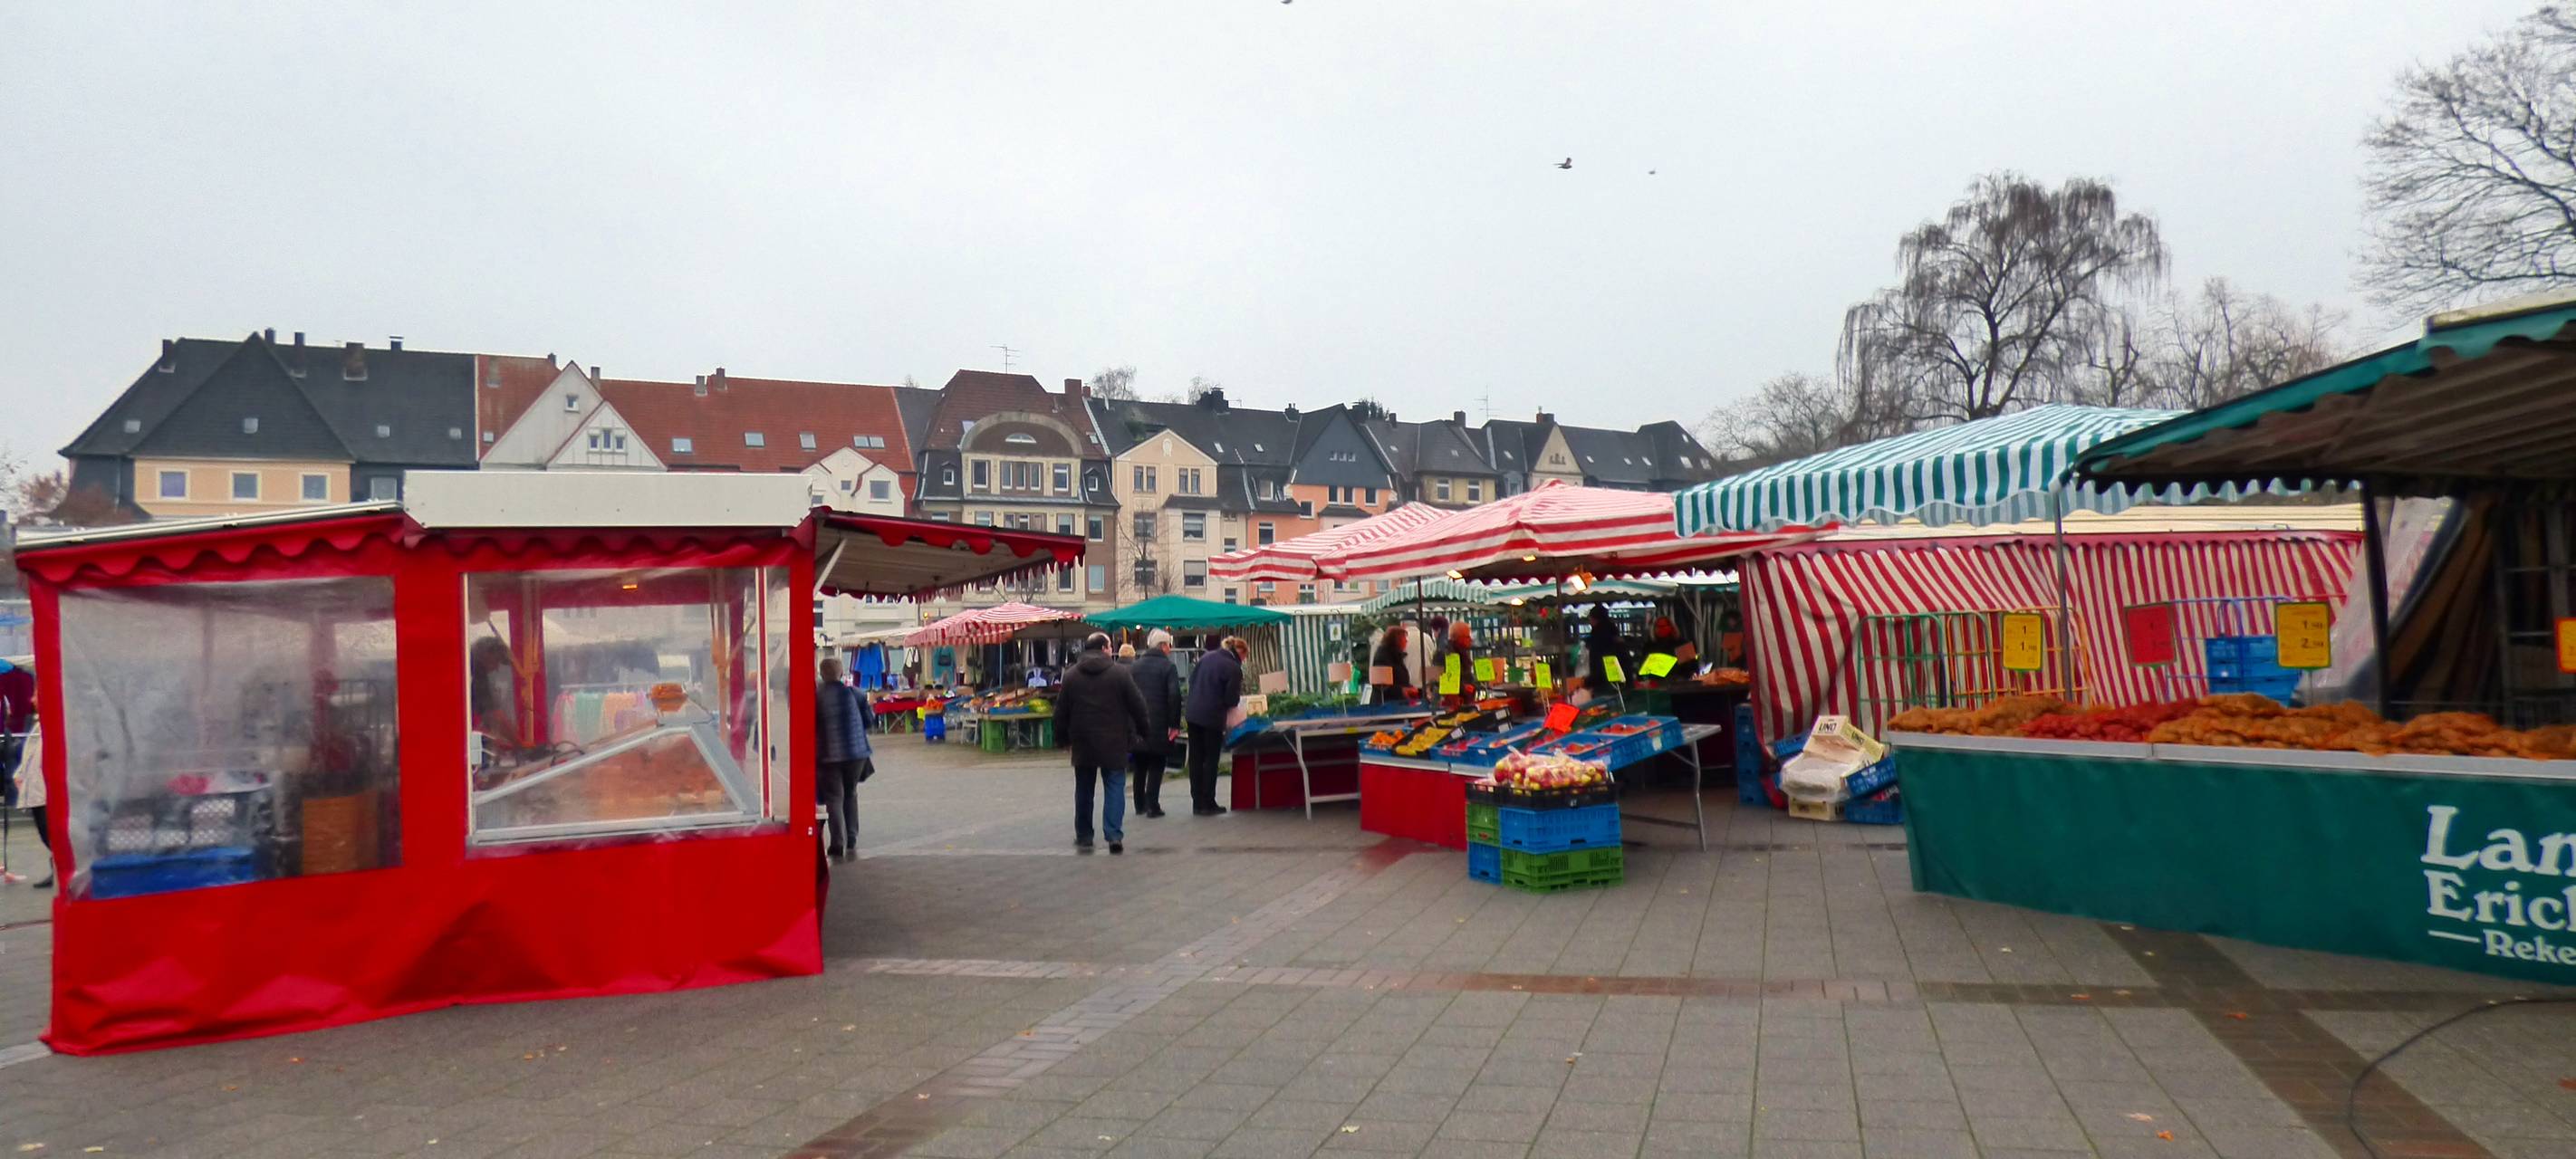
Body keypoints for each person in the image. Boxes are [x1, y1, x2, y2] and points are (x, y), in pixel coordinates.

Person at [1053, 632, 1150, 853]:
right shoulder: (1120, 674)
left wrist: (1062, 739)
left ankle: (1084, 835)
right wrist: (1145, 732)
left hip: (1083, 741)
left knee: (1084, 789)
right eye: (1110, 646)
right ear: (1105, 648)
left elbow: (1061, 712)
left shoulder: (1071, 676)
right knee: (1115, 786)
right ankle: (1114, 835)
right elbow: (1138, 705)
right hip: (1114, 740)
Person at [814, 656, 874, 859]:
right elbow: (869, 721)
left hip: (828, 755)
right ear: (841, 673)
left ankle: (837, 843)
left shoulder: (816, 697)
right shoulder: (856, 694)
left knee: (834, 798)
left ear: (822, 674)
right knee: (851, 792)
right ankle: (852, 837)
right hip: (856, 754)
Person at [1183, 636, 1246, 816]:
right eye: (1245, 656)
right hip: (1212, 717)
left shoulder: (1206, 657)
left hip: (1193, 714)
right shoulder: (1233, 668)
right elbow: (1231, 699)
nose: (1244, 660)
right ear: (1240, 652)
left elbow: (1192, 681)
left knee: (1196, 758)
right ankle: (1208, 802)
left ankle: (1197, 802)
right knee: (1211, 760)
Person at [0, 659, 46, 888]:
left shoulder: (43, 725)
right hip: (35, 788)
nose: (31, 700)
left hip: (40, 789)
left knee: (49, 834)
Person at [1129, 630, 1182, 819]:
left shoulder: (1135, 666)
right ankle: (1152, 805)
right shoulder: (1168, 667)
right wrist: (1174, 724)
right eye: (1169, 645)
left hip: (1137, 723)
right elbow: (1174, 695)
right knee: (1157, 763)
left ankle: (1139, 804)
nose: (1170, 649)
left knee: (1140, 764)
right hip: (1159, 722)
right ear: (1163, 646)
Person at [1369, 626, 1418, 705]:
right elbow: (1380, 686)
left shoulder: (1396, 656)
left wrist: (1410, 688)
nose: (1406, 641)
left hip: (1397, 703)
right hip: (1385, 705)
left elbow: (1400, 679)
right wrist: (1401, 690)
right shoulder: (1383, 657)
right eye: (1404, 638)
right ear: (1397, 640)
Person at [1434, 620, 1478, 705]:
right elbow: (1442, 680)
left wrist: (1474, 685)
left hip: (1464, 699)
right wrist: (1464, 688)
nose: (1470, 640)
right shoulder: (1446, 654)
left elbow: (1467, 676)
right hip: (1451, 702)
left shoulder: (1462, 653)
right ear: (1458, 638)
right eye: (1467, 637)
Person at [1585, 604, 1629, 690]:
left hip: (1604, 681)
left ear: (1594, 619)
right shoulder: (1613, 632)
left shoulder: (1598, 635)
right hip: (1620, 678)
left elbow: (1598, 661)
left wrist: (1590, 681)